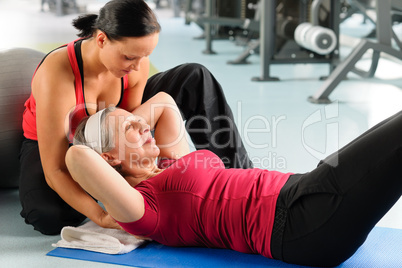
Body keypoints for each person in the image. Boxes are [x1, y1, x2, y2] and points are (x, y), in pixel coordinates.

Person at [69, 92, 401, 267]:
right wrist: (101, 208)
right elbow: (76, 156)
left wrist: (127, 127)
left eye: (141, 123)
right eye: (131, 128)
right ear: (108, 158)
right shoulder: (144, 208)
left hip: (306, 190)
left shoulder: (172, 161)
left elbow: (165, 104)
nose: (145, 126)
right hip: (302, 222)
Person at [19, 0, 252, 235]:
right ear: (101, 40)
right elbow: (56, 169)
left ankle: (240, 179)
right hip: (60, 143)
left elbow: (132, 126)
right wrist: (101, 216)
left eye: (145, 56)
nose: (139, 66)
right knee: (49, 217)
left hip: (113, 127)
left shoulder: (135, 65)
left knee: (194, 77)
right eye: (130, 57)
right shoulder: (57, 74)